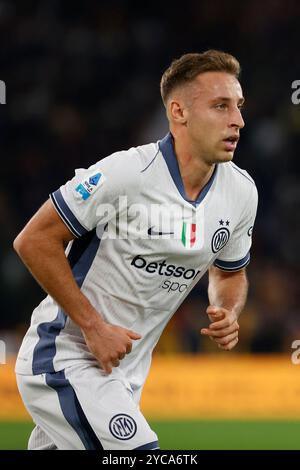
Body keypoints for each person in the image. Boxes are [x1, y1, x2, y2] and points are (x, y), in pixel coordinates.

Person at [14, 49, 258, 450]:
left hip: (125, 374)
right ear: (178, 113)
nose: (238, 120)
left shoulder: (241, 192)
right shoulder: (125, 173)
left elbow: (229, 270)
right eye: (220, 106)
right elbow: (34, 240)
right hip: (64, 358)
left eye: (239, 106)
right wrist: (93, 327)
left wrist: (228, 309)